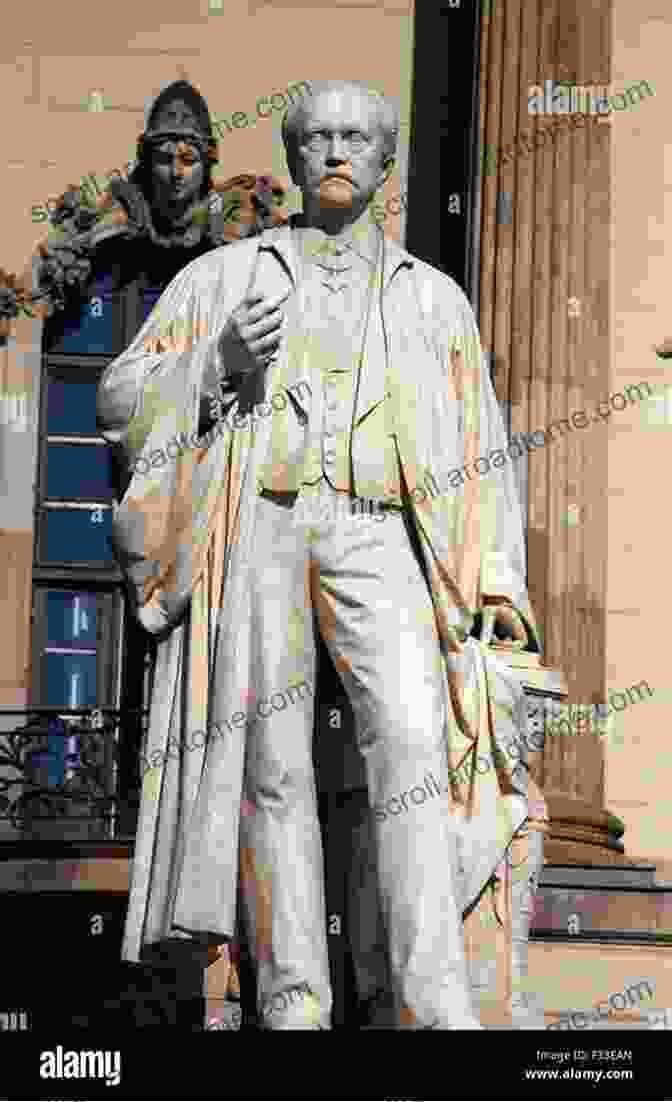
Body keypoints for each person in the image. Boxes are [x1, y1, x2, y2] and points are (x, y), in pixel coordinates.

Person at [97, 79, 548, 1029]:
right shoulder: (225, 277)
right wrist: (214, 363)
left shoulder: (435, 300)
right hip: (266, 521)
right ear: (296, 158)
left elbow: (481, 447)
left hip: (382, 528)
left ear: (385, 164)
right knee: (271, 765)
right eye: (318, 137)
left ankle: (433, 1000)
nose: (336, 151)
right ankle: (293, 999)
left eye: (357, 138)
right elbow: (120, 398)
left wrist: (497, 579)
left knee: (417, 739)